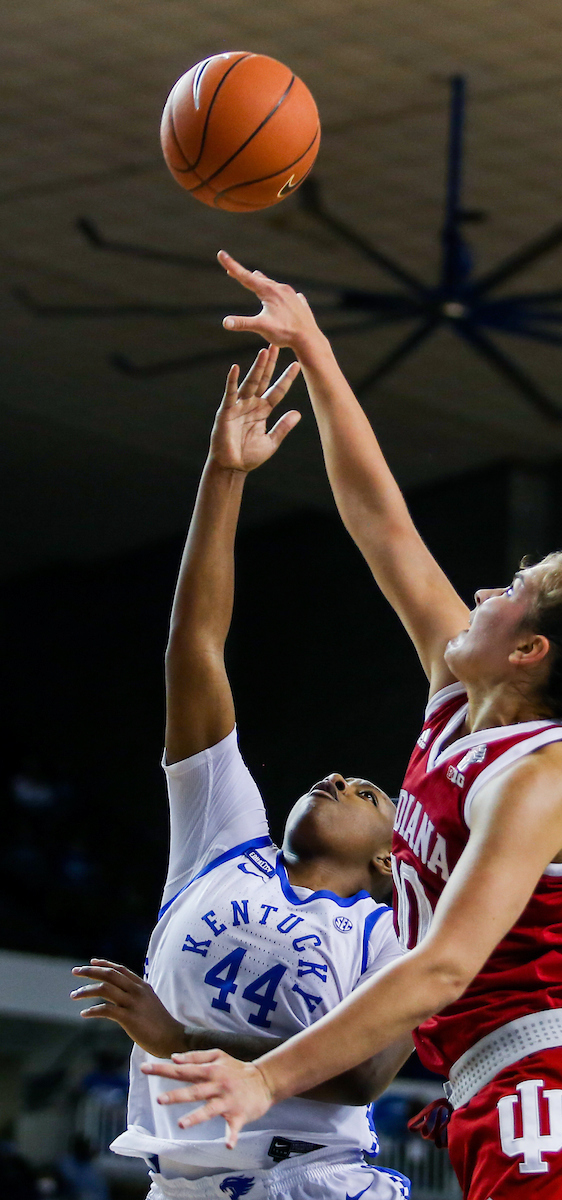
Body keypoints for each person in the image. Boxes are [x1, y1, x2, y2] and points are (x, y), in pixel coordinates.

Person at [144, 256, 562, 1200]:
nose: (481, 591)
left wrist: (264, 1078)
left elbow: (443, 969)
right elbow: (379, 520)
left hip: (557, 1087)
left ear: (529, 651)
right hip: (495, 1090)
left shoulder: (544, 773)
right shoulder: (458, 695)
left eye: (510, 590)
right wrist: (315, 349)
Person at [70, 348, 412, 1200]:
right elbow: (196, 648)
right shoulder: (223, 845)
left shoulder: (396, 928)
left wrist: (178, 1039)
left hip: (316, 1181)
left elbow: (364, 1073)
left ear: (391, 857)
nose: (340, 777)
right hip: (181, 1184)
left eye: (369, 793)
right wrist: (224, 475)